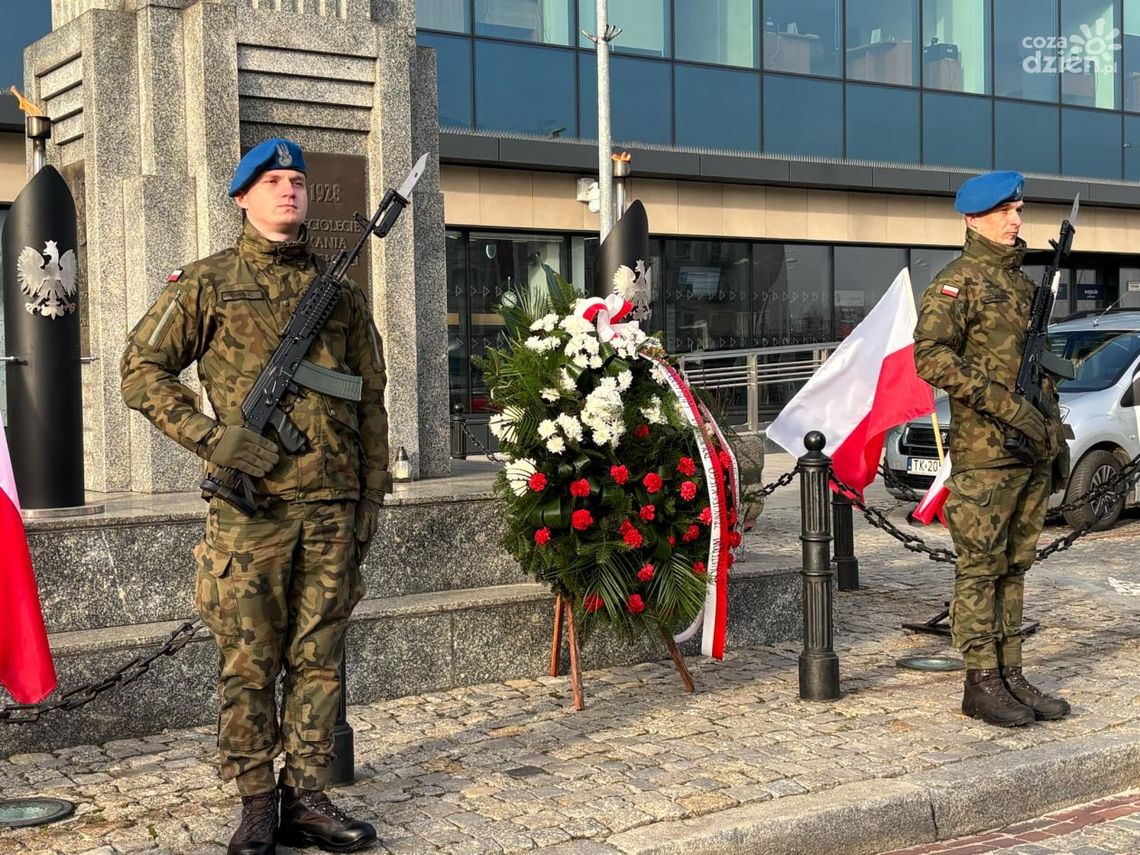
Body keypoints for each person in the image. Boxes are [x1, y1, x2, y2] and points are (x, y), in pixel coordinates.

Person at [121, 138, 389, 854]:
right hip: (252, 513)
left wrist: (370, 497)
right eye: (272, 180)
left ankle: (308, 797)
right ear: (242, 196)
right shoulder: (205, 284)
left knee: (320, 655)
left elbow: (369, 399)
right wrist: (212, 439)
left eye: (297, 180)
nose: (289, 190)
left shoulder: (340, 295)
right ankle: (256, 803)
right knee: (248, 660)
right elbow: (139, 371)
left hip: (331, 508)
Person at [913, 170, 1071, 728]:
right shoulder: (957, 283)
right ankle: (980, 682)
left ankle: (1010, 671)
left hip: (1029, 447)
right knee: (981, 566)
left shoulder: (1024, 286)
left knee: (1016, 563)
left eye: (1019, 210)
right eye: (1004, 211)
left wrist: (1050, 429)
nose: (1015, 221)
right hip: (987, 449)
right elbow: (930, 355)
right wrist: (1005, 405)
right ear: (972, 218)